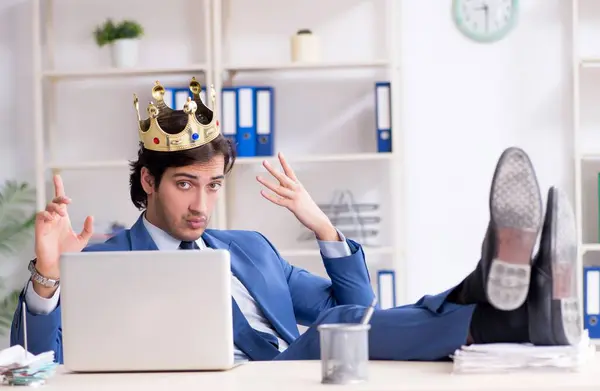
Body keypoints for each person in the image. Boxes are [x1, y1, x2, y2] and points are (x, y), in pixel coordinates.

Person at [10, 78, 582, 364]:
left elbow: (352, 304)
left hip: (294, 376)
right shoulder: (104, 266)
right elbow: (37, 364)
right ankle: (498, 305)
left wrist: (323, 229)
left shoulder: (250, 247)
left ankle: (501, 300)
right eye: (185, 185)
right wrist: (49, 272)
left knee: (350, 321)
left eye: (212, 185)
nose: (201, 205)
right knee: (342, 331)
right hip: (236, 381)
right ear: (147, 183)